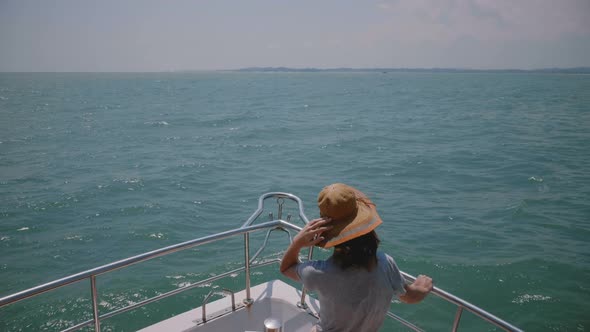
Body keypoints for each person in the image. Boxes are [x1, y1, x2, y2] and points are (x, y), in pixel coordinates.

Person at [280, 183, 433, 332]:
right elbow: (409, 296)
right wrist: (422, 287)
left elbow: (286, 268)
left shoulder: (318, 273)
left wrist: (297, 242)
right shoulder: (385, 263)